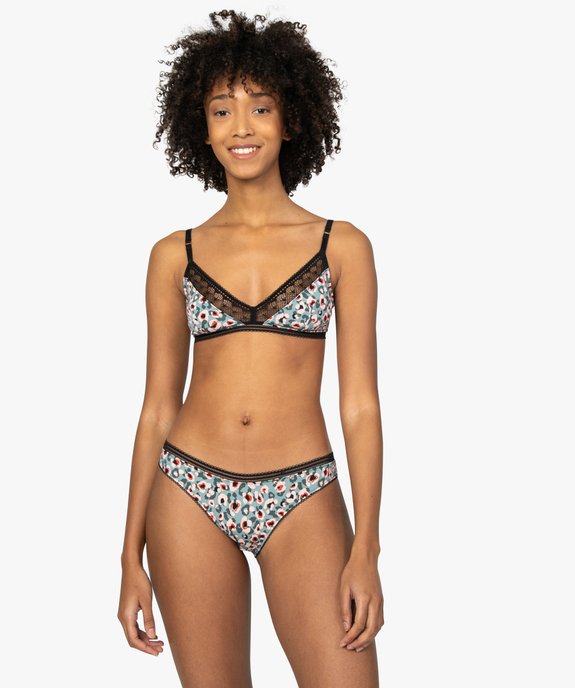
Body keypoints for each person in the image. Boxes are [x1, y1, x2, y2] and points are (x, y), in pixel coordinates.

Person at [117, 9, 384, 687]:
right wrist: (127, 556)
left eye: (260, 107)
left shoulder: (341, 246)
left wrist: (366, 548)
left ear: (290, 121)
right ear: (201, 129)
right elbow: (156, 408)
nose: (241, 126)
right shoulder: (173, 255)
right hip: (188, 489)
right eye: (221, 110)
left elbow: (359, 407)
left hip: (302, 490)